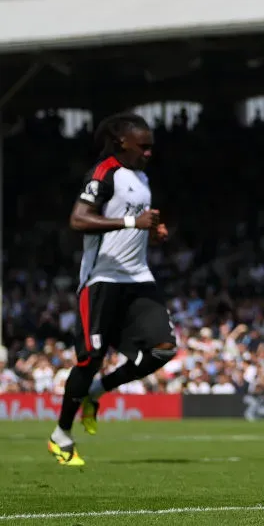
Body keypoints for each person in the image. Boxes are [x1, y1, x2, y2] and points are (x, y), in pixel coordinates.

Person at [48, 113, 174, 467]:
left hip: (137, 277)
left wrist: (153, 229)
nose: (149, 152)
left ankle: (97, 393)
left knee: (163, 351)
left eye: (151, 146)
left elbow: (135, 218)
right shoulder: (105, 173)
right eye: (143, 146)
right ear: (123, 142)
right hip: (102, 279)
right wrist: (135, 222)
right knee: (90, 358)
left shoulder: (143, 178)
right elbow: (78, 219)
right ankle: (61, 435)